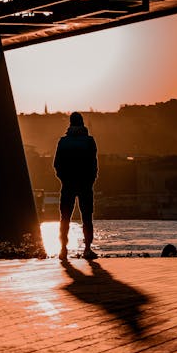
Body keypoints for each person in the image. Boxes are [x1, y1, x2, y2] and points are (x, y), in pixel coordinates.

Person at [53, 111, 98, 261]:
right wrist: (90, 180)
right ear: (82, 123)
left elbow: (57, 164)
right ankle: (87, 249)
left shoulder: (63, 142)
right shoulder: (89, 141)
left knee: (65, 217)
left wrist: (63, 179)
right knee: (87, 217)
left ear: (70, 123)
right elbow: (94, 164)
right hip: (85, 184)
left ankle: (63, 250)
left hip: (68, 184)